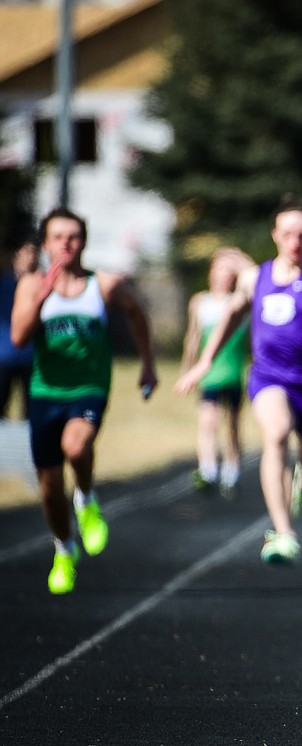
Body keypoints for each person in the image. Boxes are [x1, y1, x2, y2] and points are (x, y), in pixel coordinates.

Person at [175, 199, 302, 563]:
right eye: (288, 235)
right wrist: (203, 363)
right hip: (269, 378)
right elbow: (230, 315)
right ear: (275, 236)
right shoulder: (254, 278)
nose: (295, 243)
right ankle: (283, 533)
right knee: (275, 433)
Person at [10, 208, 157, 594]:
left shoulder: (103, 285)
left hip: (89, 388)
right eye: (58, 237)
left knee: (76, 445)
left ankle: (87, 499)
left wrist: (148, 365)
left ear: (84, 242)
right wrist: (43, 292)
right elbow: (19, 338)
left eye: (73, 237)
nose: (66, 245)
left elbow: (137, 314)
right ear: (45, 244)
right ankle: (63, 549)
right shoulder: (31, 285)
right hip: (45, 393)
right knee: (48, 487)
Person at [179, 248, 254, 499]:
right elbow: (193, 337)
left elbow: (258, 281)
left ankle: (232, 472)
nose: (222, 276)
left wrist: (237, 257)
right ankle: (207, 470)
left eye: (227, 272)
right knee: (207, 421)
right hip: (208, 373)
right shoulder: (200, 302)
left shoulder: (240, 302)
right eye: (218, 270)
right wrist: (187, 368)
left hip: (232, 372)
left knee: (232, 424)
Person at [1, 240, 38, 419]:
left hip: (32, 358)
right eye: (26, 253)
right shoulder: (4, 284)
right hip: (4, 356)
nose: (30, 258)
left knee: (31, 412)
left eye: (34, 253)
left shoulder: (43, 285)